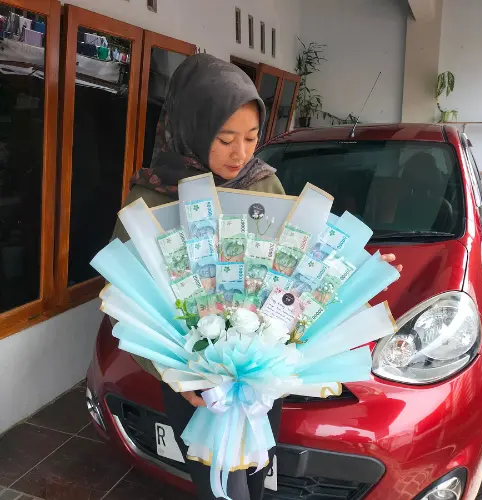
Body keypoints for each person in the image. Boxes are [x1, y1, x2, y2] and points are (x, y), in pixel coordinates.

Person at [112, 53, 401, 500]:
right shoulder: (150, 199)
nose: (241, 153)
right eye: (225, 138)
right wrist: (175, 375)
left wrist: (360, 273)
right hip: (195, 383)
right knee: (217, 488)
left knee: (255, 479)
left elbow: (296, 268)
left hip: (262, 377)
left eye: (251, 138)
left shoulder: (263, 185)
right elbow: (128, 301)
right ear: (192, 128)